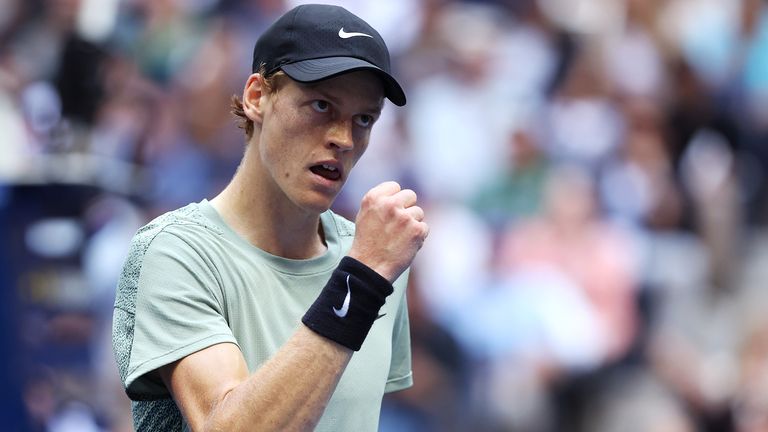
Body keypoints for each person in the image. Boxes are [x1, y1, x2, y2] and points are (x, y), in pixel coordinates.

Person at [111, 4, 428, 431]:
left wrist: (367, 273)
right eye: (320, 106)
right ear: (257, 97)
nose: (344, 138)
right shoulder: (172, 252)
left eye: (364, 119)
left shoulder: (376, 260)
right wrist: (363, 280)